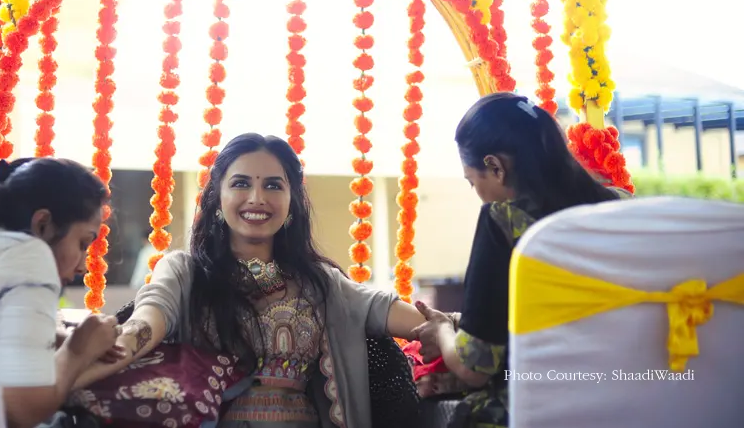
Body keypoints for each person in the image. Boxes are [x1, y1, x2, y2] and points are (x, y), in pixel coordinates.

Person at [82, 133, 427, 428]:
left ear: (292, 203)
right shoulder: (184, 272)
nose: (257, 198)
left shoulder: (321, 283)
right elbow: (147, 321)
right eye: (241, 183)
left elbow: (401, 315)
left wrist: (454, 331)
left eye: (273, 185)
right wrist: (74, 371)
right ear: (218, 197)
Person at [412, 93, 629, 428]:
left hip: (543, 409)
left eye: (474, 183)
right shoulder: (621, 205)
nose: (478, 194)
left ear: (496, 167)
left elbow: (474, 367)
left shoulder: (504, 220)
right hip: (628, 395)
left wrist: (442, 330)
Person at [0, 157, 124, 428]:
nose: (83, 265)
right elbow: (22, 410)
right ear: (43, 225)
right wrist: (78, 350)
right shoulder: (29, 254)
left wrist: (57, 337)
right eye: (83, 243)